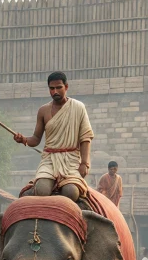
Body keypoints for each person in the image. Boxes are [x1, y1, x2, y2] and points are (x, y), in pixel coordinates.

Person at [12, 71, 94, 200]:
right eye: (51, 88)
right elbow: (36, 139)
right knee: (41, 189)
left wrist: (84, 163)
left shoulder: (78, 107)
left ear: (66, 87)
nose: (55, 91)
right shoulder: (43, 110)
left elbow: (85, 138)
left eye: (58, 87)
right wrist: (23, 140)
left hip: (71, 160)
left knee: (71, 192)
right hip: (49, 160)